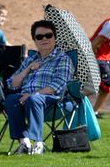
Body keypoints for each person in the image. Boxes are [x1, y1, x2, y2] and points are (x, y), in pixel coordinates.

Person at [5, 20, 74, 155]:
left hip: (55, 100)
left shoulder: (63, 59)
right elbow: (12, 84)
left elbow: (57, 85)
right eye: (39, 37)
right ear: (35, 40)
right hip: (26, 99)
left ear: (55, 37)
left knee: (34, 100)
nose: (44, 39)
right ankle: (24, 143)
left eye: (48, 35)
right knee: (11, 99)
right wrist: (27, 70)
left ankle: (38, 143)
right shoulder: (30, 59)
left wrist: (33, 95)